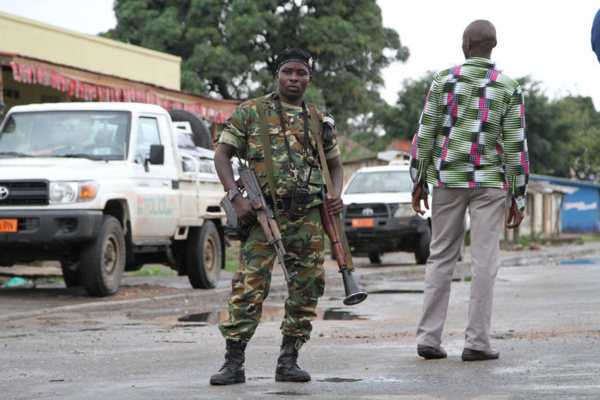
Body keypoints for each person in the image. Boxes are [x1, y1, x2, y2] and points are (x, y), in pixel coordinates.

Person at [211, 48, 344, 384]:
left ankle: (289, 360)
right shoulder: (250, 112)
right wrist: (235, 197)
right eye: (288, 72)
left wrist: (335, 194)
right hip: (262, 214)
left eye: (301, 73)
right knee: (249, 285)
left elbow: (335, 164)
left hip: (308, 218)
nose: (294, 79)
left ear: (309, 79)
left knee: (307, 286)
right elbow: (222, 155)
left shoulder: (318, 118)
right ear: (277, 75)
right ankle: (233, 363)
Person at [409, 20, 529, 362]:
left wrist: (418, 181)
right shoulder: (508, 86)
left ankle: (429, 339)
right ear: (494, 46)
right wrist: (518, 196)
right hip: (489, 183)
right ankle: (476, 343)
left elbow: (426, 133)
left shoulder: (443, 80)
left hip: (447, 180)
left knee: (441, 256)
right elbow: (515, 146)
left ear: (466, 44)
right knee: (484, 261)